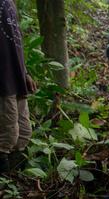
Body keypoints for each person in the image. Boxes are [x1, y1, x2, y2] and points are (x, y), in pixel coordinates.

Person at [0, 0, 37, 174]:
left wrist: (26, 73)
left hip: (17, 76)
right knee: (8, 135)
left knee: (23, 132)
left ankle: (16, 178)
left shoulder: (10, 4)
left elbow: (16, 43)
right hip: (3, 78)